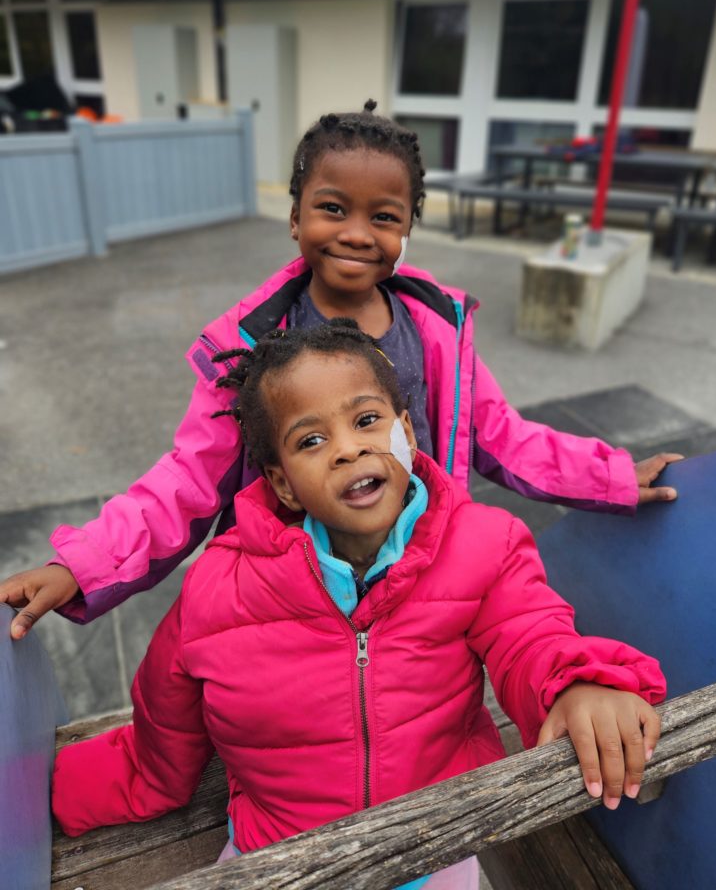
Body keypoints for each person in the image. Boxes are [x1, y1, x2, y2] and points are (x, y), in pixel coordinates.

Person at [1, 101, 681, 639]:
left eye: (384, 217)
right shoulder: (252, 346)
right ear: (294, 217)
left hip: (421, 577)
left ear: (408, 227)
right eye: (332, 208)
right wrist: (80, 564)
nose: (357, 232)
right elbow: (186, 478)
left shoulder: (435, 329)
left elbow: (497, 434)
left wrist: (612, 474)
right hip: (294, 598)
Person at [52, 321, 666, 889]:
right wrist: (43, 790)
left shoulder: (485, 544)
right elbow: (163, 725)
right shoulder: (219, 586)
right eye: (312, 439)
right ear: (282, 482)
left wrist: (576, 686)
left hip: (438, 842)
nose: (347, 449)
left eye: (367, 420)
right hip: (282, 856)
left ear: (405, 429)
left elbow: (531, 633)